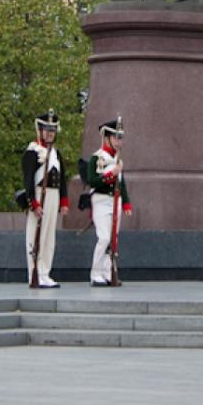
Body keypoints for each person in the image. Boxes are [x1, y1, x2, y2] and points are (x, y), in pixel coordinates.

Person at [22, 110, 69, 289]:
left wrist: (64, 201)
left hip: (53, 196)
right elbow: (28, 180)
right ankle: (34, 272)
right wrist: (33, 203)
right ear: (39, 130)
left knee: (49, 236)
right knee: (35, 236)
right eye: (46, 130)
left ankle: (45, 272)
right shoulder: (32, 152)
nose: (50, 133)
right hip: (39, 196)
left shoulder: (56, 153)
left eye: (53, 130)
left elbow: (62, 179)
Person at [86, 116, 132, 287]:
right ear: (107, 138)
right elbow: (92, 181)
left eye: (121, 138)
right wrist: (110, 175)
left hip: (116, 201)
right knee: (104, 238)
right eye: (116, 138)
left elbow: (122, 183)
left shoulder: (117, 160)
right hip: (101, 201)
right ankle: (95, 272)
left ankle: (107, 272)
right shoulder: (97, 158)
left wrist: (126, 203)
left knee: (113, 240)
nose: (119, 142)